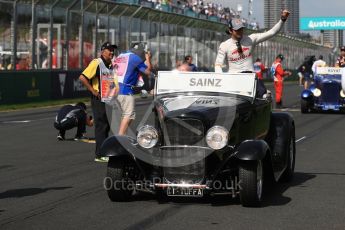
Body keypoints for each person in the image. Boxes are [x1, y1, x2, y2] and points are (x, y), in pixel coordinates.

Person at [214, 9, 290, 73]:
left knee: (266, 91)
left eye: (241, 29)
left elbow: (272, 32)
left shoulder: (251, 39)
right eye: (237, 30)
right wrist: (222, 80)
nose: (240, 31)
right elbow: (218, 65)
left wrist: (282, 19)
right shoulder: (224, 45)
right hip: (233, 81)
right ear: (230, 31)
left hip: (251, 79)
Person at [79, 41, 117, 163]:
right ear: (102, 51)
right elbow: (82, 77)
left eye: (113, 50)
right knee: (101, 125)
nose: (112, 52)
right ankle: (100, 154)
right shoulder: (97, 63)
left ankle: (104, 151)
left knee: (106, 125)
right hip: (99, 99)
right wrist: (93, 91)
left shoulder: (111, 65)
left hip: (109, 99)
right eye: (109, 50)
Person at [114, 43, 152, 135]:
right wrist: (148, 58)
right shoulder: (135, 58)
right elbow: (148, 71)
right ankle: (121, 136)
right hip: (125, 90)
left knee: (124, 115)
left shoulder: (121, 55)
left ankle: (122, 134)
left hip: (115, 88)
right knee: (129, 115)